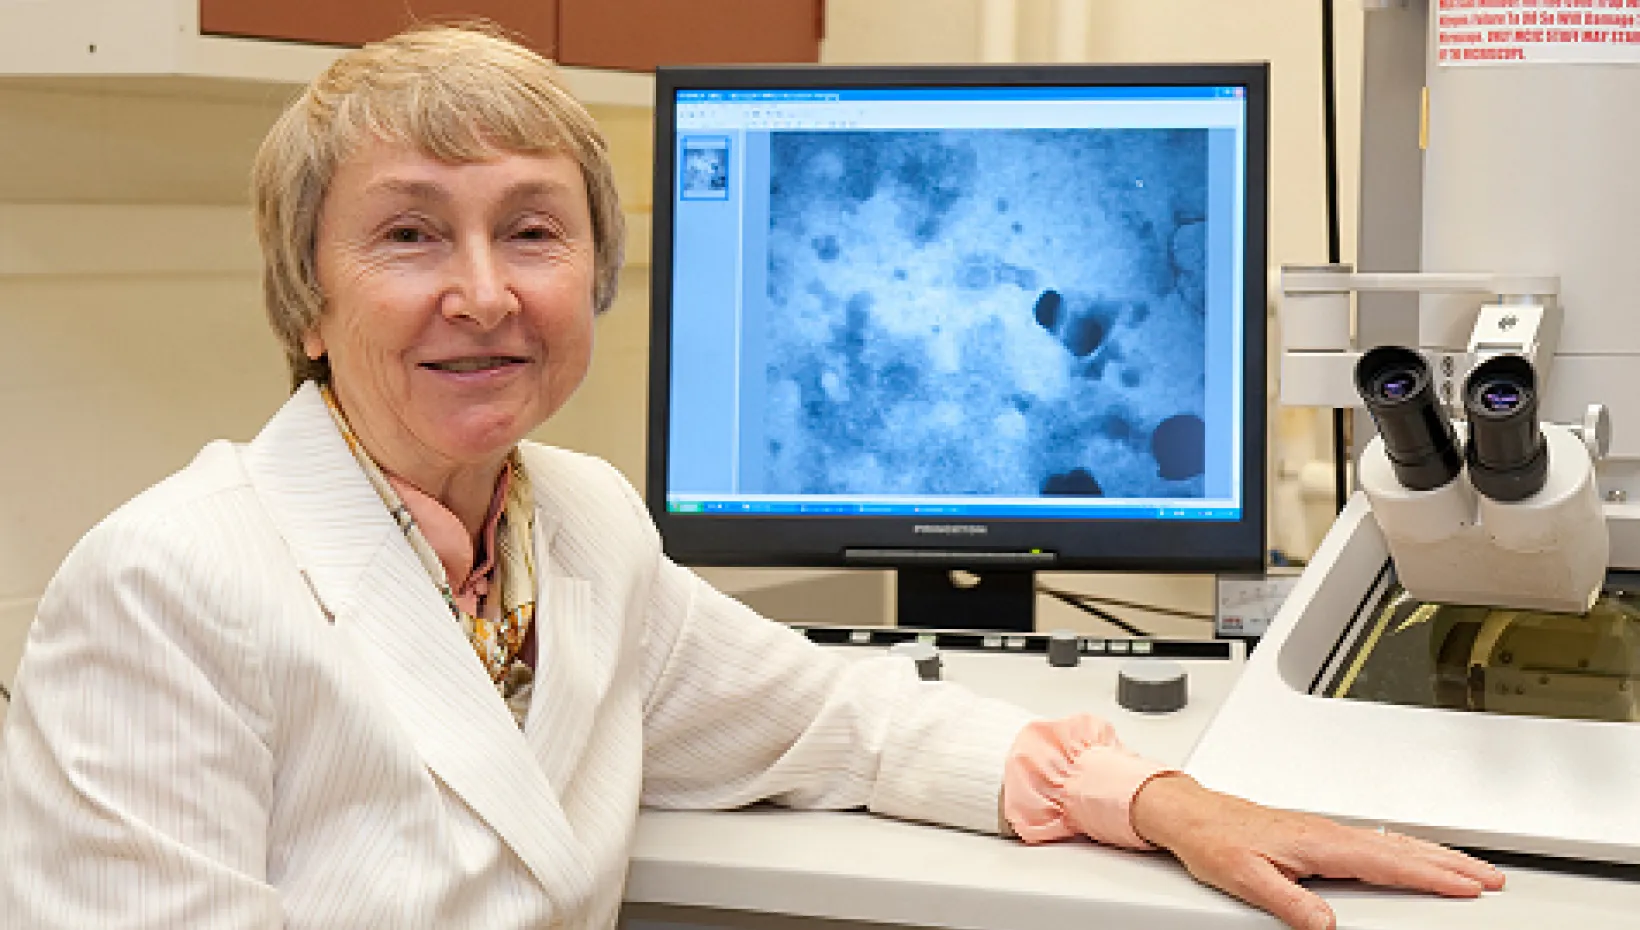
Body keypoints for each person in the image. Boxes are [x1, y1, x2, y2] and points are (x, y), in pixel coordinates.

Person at [0, 24, 1501, 930]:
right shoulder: (173, 584)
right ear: (304, 303)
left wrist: (1167, 796)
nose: (482, 292)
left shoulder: (574, 525)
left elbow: (837, 720)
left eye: (532, 232)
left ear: (597, 278)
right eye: (407, 235)